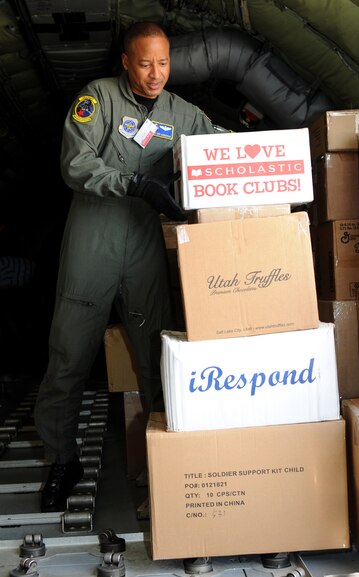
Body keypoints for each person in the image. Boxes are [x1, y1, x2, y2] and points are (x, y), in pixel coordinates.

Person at [34, 21, 220, 513]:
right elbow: (76, 163)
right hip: (91, 243)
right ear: (125, 61)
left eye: (163, 62)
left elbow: (223, 148)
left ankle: (167, 459)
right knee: (69, 354)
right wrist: (136, 184)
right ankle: (61, 460)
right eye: (144, 63)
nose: (155, 73)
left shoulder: (182, 113)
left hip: (142, 248)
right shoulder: (97, 99)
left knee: (157, 356)